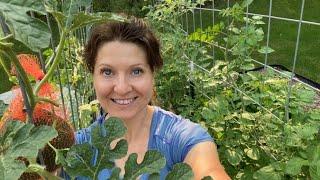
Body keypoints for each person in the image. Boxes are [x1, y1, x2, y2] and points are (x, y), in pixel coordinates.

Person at [73, 18, 230, 180]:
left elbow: (209, 170)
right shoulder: (75, 149)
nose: (122, 88)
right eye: (107, 72)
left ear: (152, 74)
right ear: (93, 77)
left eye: (136, 71)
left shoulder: (182, 139)